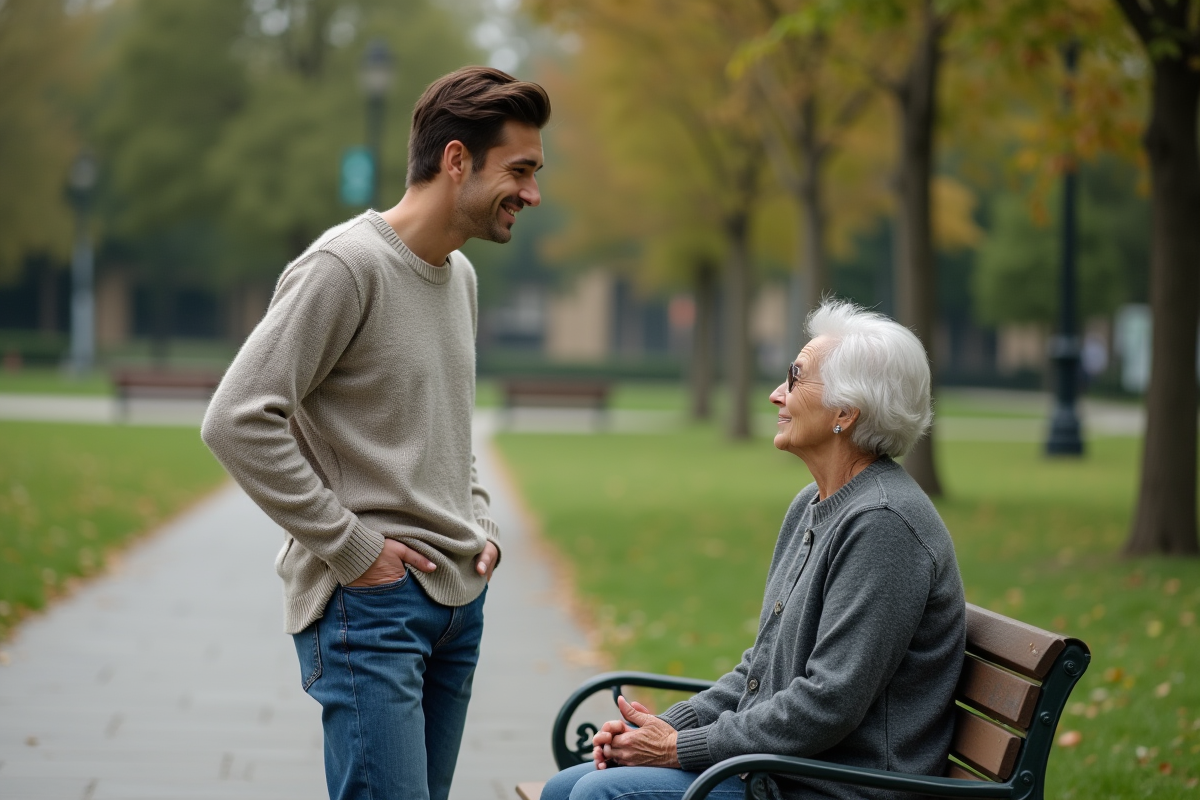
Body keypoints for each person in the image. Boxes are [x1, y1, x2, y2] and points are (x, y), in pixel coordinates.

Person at [200, 66, 550, 800]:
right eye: (519, 170)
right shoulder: (346, 267)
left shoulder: (460, 277)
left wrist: (479, 521)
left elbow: (449, 426)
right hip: (373, 608)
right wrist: (354, 549)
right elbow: (238, 418)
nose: (532, 193)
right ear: (457, 160)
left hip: (460, 605)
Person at [543, 300, 966, 800]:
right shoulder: (814, 504)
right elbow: (759, 670)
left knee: (598, 795)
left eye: (795, 377)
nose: (775, 394)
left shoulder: (883, 524)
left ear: (846, 413)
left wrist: (679, 749)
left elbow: (828, 704)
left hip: (840, 785)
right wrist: (658, 728)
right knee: (566, 786)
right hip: (782, 767)